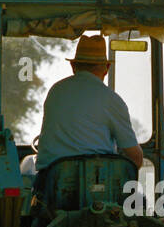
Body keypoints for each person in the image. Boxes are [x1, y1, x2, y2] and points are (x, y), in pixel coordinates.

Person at [33, 34, 144, 173]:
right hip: (95, 182)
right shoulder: (112, 99)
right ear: (107, 68)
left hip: (51, 181)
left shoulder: (56, 91)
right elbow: (135, 158)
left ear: (73, 66)